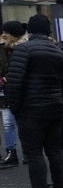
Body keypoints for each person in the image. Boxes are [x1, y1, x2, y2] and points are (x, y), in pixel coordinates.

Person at [5, 14, 63, 188]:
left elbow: (14, 83)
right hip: (55, 107)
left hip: (31, 108)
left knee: (34, 154)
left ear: (30, 31)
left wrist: (15, 107)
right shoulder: (58, 51)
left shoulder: (23, 49)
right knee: (55, 151)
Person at [0, 21, 26, 169]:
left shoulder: (22, 49)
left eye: (6, 32)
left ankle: (29, 153)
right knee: (8, 124)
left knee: (22, 124)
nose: (3, 35)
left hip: (20, 93)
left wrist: (5, 79)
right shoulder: (3, 49)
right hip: (5, 93)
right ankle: (12, 152)